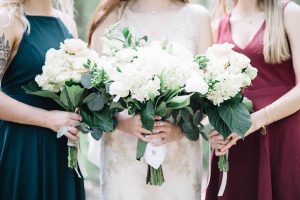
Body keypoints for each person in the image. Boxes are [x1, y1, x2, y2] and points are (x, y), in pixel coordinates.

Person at [87, 0, 212, 199]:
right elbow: (92, 90)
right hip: (124, 152)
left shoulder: (197, 17)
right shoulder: (110, 17)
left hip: (178, 152)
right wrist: (122, 123)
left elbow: (207, 91)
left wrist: (180, 130)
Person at [206, 0, 300, 200]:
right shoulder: (217, 25)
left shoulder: (290, 14)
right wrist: (216, 132)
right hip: (238, 142)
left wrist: (256, 120)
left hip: (283, 137)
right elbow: (211, 95)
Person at [0, 0, 85, 199]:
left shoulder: (67, 23)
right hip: (21, 146)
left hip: (62, 148)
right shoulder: (7, 19)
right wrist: (47, 119)